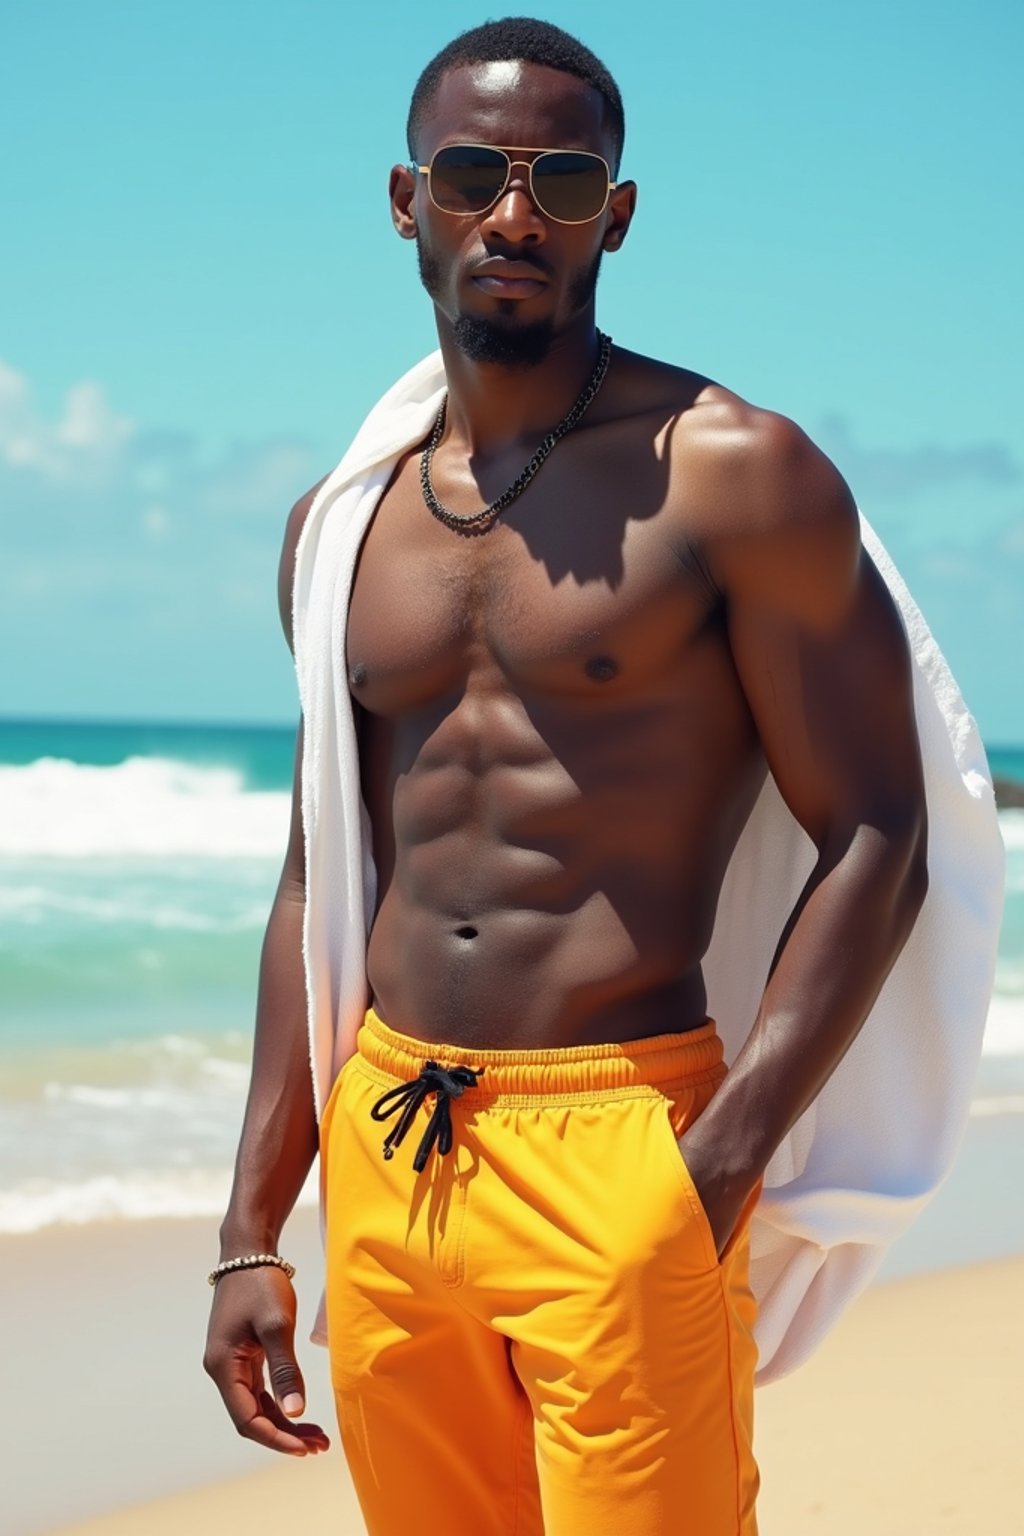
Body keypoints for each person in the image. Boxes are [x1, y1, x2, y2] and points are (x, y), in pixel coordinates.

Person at [204, 17, 934, 1535]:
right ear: (409, 200)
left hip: (627, 1136)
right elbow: (317, 878)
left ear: (621, 210)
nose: (516, 215)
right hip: (396, 1149)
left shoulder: (736, 475)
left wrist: (717, 1167)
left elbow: (875, 829)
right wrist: (249, 1228)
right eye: (476, 174)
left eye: (564, 177)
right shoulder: (341, 529)